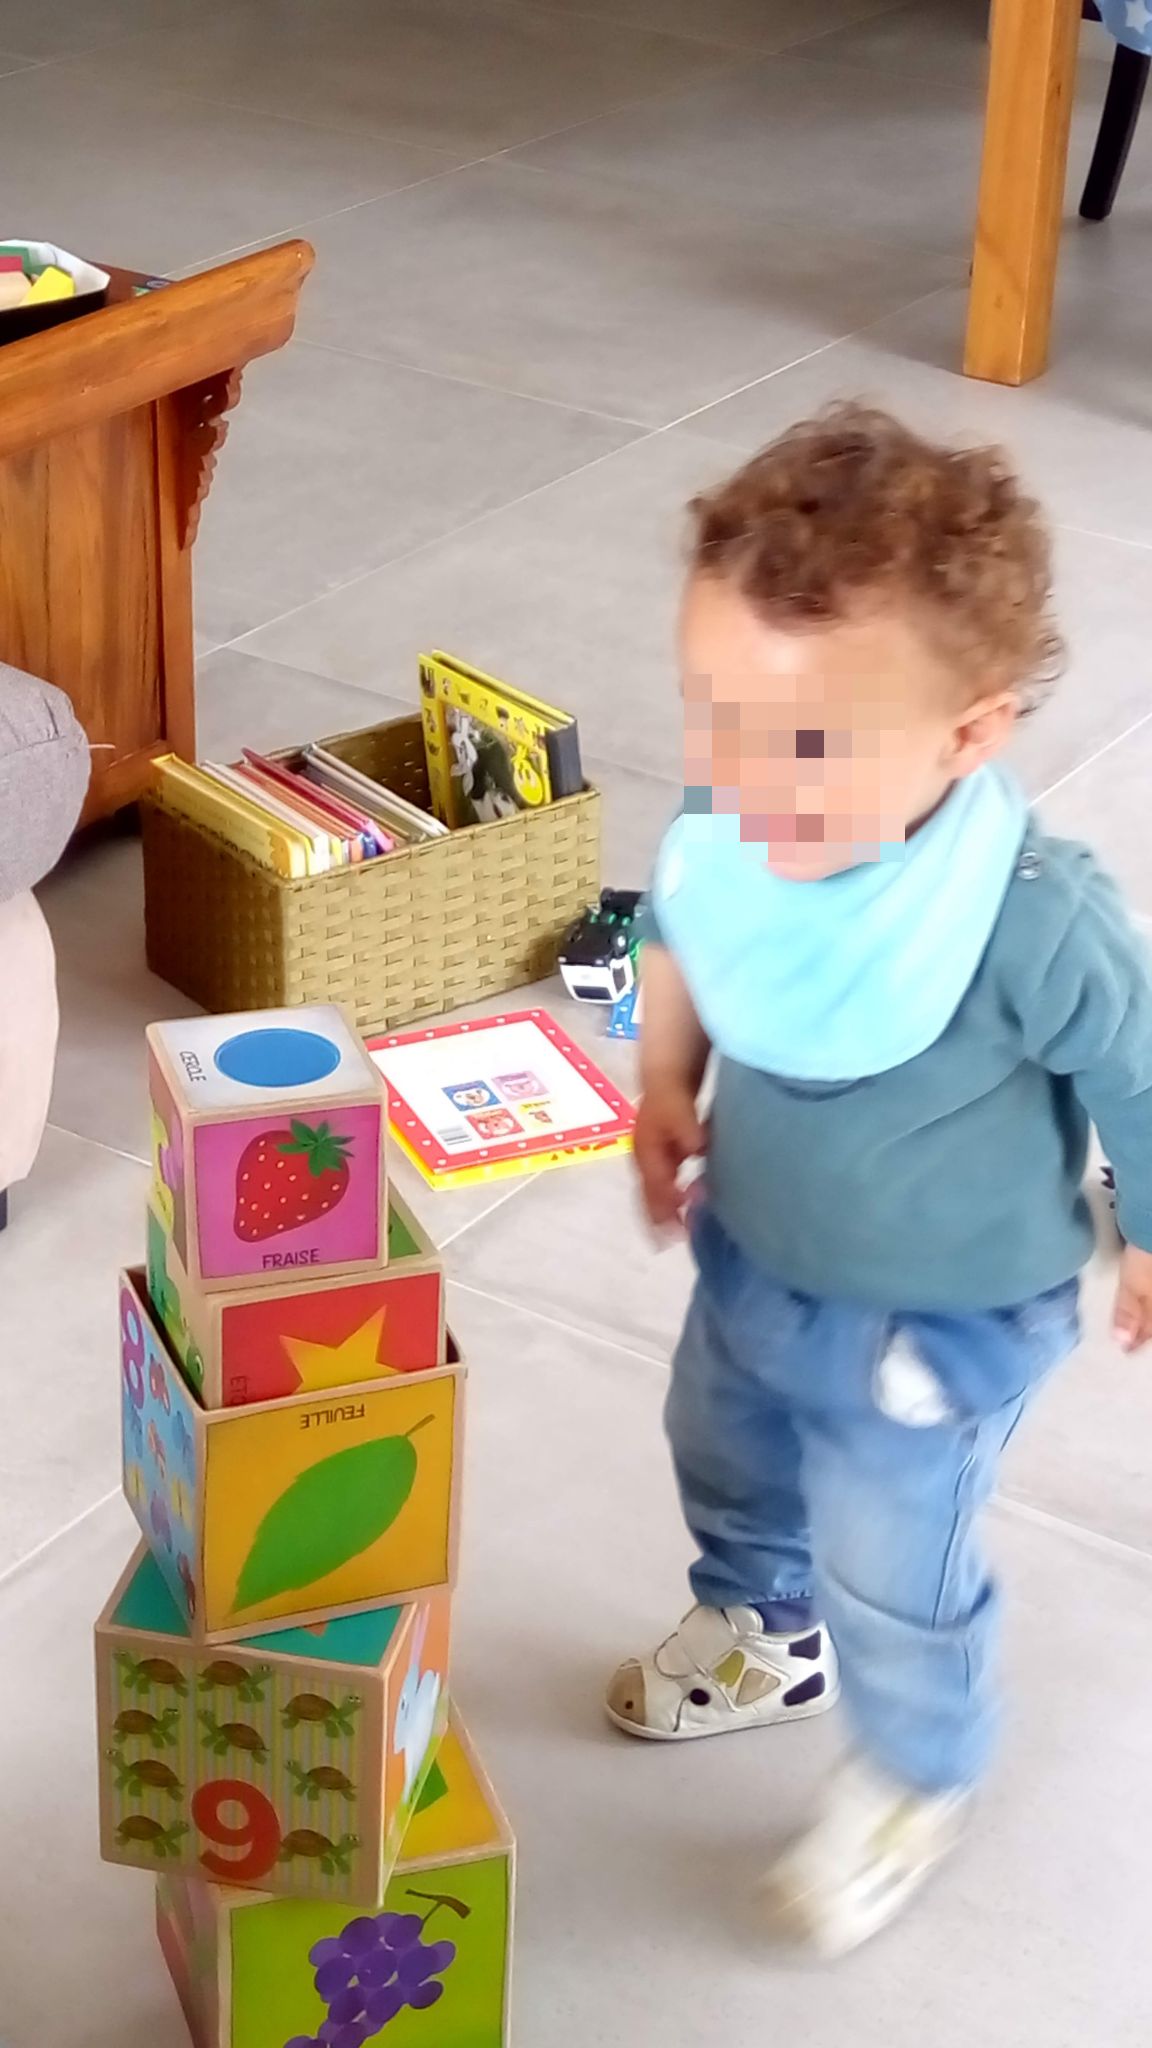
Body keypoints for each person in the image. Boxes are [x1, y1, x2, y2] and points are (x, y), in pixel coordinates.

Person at [607, 405, 1152, 1958]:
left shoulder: (1033, 916)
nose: (735, 778)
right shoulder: (737, 817)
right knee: (722, 1448)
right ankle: (762, 1630)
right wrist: (666, 1080)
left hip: (941, 1320)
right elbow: (681, 931)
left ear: (970, 736)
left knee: (892, 1555)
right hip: (758, 1252)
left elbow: (1140, 1072)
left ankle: (918, 1773)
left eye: (798, 746)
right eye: (710, 716)